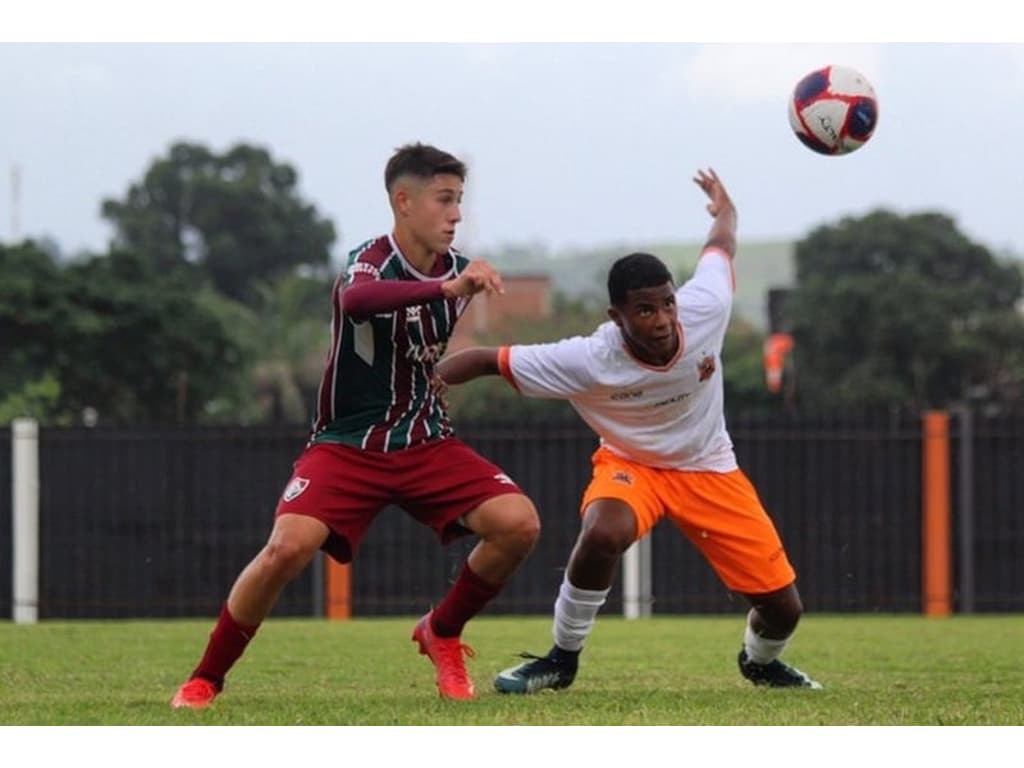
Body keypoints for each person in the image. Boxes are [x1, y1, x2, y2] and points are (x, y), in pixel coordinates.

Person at [171, 142, 540, 708]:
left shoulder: (461, 274)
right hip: (347, 444)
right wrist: (443, 289)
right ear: (403, 201)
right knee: (286, 550)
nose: (456, 214)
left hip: (424, 440)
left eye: (459, 201)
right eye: (444, 200)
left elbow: (423, 349)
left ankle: (441, 630)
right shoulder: (369, 260)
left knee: (519, 524)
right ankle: (206, 678)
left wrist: (458, 364)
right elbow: (358, 300)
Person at [434, 168, 821, 694]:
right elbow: (485, 359)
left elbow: (721, 245)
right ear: (617, 316)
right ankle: (560, 660)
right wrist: (423, 384)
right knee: (603, 533)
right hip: (631, 465)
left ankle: (760, 662)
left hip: (709, 466)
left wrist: (725, 209)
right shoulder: (589, 359)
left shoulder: (707, 308)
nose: (662, 319)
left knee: (783, 609)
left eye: (666, 303)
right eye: (644, 309)